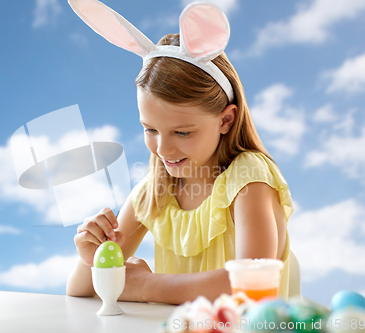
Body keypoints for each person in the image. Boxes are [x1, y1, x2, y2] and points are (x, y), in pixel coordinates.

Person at [66, 0, 294, 305]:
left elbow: (249, 285)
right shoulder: (153, 192)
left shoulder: (248, 177)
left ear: (226, 120)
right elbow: (81, 291)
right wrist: (91, 259)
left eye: (182, 132)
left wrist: (148, 286)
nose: (163, 149)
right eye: (150, 129)